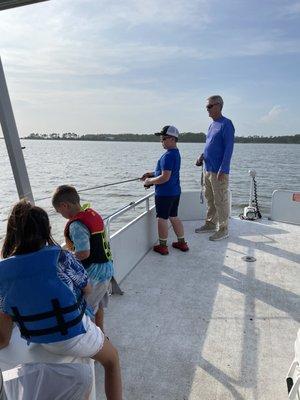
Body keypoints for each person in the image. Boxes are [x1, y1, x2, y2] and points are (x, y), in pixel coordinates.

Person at [0, 200, 122, 400]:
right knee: (112, 360)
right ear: (46, 230)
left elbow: (4, 335)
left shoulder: (3, 273)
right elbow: (88, 289)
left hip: (37, 339)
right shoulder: (62, 258)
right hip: (73, 336)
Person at [52, 185, 114, 333]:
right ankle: (102, 333)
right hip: (106, 267)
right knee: (98, 304)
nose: (61, 215)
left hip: (95, 273)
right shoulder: (91, 214)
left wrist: (67, 257)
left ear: (64, 205)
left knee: (87, 309)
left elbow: (84, 253)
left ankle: (95, 342)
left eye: (59, 212)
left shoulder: (77, 225)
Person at [141, 125, 189, 255]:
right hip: (175, 192)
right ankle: (182, 243)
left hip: (164, 194)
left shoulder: (167, 156)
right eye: (161, 138)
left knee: (162, 218)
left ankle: (162, 246)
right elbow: (164, 172)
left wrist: (149, 181)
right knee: (174, 216)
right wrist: (151, 174)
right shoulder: (176, 154)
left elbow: (165, 177)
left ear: (172, 139)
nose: (161, 141)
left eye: (163, 138)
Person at [195, 95, 235, 241]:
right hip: (208, 169)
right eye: (206, 107)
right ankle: (211, 224)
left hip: (219, 171)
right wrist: (201, 157)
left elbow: (229, 148)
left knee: (220, 200)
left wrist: (223, 169)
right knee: (210, 198)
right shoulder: (212, 125)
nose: (207, 109)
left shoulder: (226, 124)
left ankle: (223, 229)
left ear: (219, 106)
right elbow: (210, 146)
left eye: (209, 106)